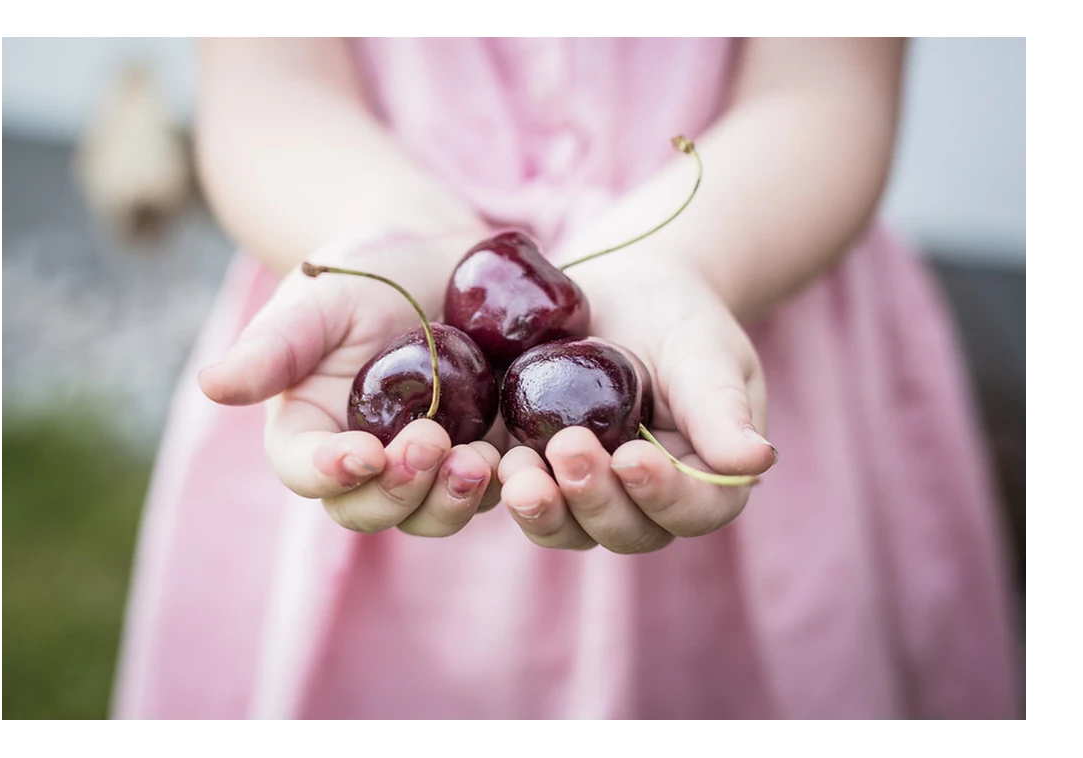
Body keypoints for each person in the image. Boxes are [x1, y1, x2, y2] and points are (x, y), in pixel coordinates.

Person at [110, 37, 1022, 719]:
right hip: (365, 259)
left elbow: (828, 92)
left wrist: (689, 258)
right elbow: (268, 94)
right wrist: (382, 223)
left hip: (737, 278)